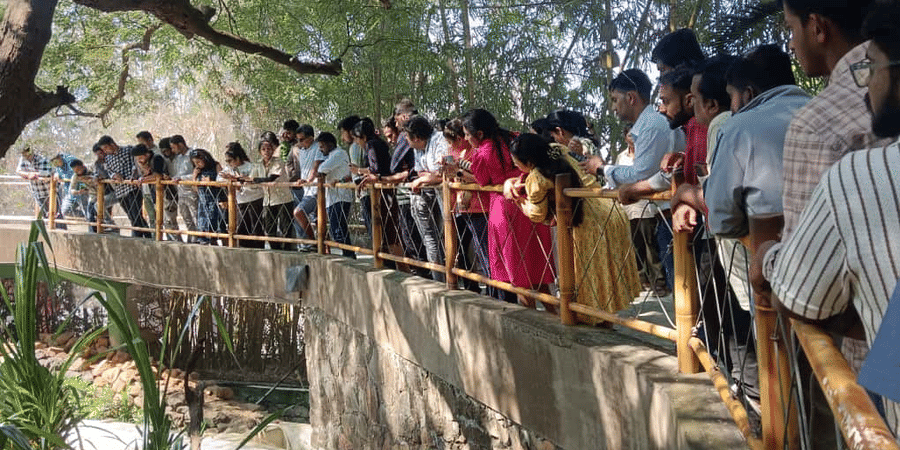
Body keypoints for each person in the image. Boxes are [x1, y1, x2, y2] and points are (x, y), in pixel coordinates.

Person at [769, 2, 900, 435]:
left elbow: (803, 290)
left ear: (817, 27)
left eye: (791, 28)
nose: (790, 42)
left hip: (874, 366)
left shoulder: (818, 125)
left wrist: (767, 258)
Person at [506, 134, 640, 324]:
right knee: (607, 270)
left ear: (528, 161)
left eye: (516, 162)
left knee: (588, 275)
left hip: (587, 223)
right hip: (609, 210)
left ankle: (589, 318)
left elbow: (536, 214)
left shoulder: (537, 178)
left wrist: (519, 201)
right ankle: (606, 318)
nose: (516, 166)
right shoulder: (557, 150)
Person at [457, 109, 555, 307]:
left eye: (467, 135)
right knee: (537, 272)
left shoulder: (484, 151)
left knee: (519, 275)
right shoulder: (514, 137)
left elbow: (483, 181)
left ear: (480, 134)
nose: (466, 139)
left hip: (507, 209)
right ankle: (557, 313)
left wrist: (461, 171)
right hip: (531, 206)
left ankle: (531, 322)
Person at [355, 118, 407, 271]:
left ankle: (403, 268)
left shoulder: (371, 145)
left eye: (357, 138)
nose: (357, 142)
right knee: (389, 232)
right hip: (387, 189)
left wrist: (365, 174)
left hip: (384, 191)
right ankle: (396, 265)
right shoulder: (380, 143)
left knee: (389, 232)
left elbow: (375, 169)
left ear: (362, 137)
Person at [443, 119, 487, 293]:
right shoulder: (452, 152)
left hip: (477, 205)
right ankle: (470, 284)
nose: (452, 145)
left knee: (481, 248)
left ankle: (491, 288)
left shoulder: (475, 153)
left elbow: (479, 176)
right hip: (459, 205)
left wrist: (459, 171)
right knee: (461, 246)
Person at [407, 116, 448, 281]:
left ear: (416, 137)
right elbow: (421, 171)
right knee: (431, 237)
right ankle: (440, 279)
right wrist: (426, 177)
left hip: (452, 199)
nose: (406, 140)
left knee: (454, 238)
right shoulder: (418, 148)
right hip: (434, 196)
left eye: (408, 137)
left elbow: (442, 172)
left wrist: (422, 179)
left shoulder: (440, 140)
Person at [389, 99, 428, 277]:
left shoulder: (412, 130)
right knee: (418, 236)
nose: (397, 126)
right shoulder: (419, 128)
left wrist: (392, 174)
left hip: (420, 191)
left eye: (397, 121)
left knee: (417, 236)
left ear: (404, 116)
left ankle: (425, 275)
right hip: (416, 188)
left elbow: (395, 163)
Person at [98, 135, 151, 238]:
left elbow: (136, 164)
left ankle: (147, 237)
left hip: (132, 188)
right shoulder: (107, 158)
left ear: (112, 144)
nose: (105, 151)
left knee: (136, 216)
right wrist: (114, 175)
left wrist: (133, 175)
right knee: (131, 217)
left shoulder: (129, 150)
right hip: (120, 191)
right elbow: (109, 171)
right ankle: (139, 238)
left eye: (106, 148)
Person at [316, 132, 355, 258]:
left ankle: (349, 256)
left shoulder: (339, 154)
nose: (320, 149)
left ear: (330, 144)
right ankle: (348, 255)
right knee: (336, 229)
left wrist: (320, 169)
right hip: (333, 198)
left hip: (340, 197)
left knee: (338, 229)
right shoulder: (333, 155)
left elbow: (322, 169)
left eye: (322, 146)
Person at [219, 142, 265, 248]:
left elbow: (253, 182)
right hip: (241, 201)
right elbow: (219, 177)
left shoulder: (251, 167)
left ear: (238, 158)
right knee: (242, 226)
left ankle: (259, 248)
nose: (228, 163)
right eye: (227, 161)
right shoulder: (228, 169)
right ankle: (244, 248)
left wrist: (238, 179)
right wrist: (229, 178)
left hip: (254, 198)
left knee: (256, 226)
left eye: (230, 160)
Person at [255, 131, 295, 251]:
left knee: (286, 228)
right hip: (268, 200)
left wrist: (253, 180)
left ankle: (287, 252)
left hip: (282, 198)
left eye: (269, 148)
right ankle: (275, 251)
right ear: (260, 152)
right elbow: (250, 180)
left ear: (273, 150)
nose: (266, 151)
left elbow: (271, 178)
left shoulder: (279, 162)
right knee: (269, 228)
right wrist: (239, 179)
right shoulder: (257, 165)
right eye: (263, 149)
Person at [287, 124, 324, 248]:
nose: (299, 142)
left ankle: (314, 243)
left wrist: (308, 180)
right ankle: (315, 244)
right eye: (298, 139)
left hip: (316, 190)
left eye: (302, 139)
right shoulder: (301, 151)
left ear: (311, 138)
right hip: (307, 190)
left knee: (299, 212)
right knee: (318, 221)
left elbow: (316, 166)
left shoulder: (318, 148)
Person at [340, 115, 372, 237]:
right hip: (368, 191)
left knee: (373, 229)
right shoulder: (363, 145)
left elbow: (358, 169)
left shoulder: (355, 146)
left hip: (366, 192)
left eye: (343, 132)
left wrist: (358, 185)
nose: (342, 137)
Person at [191, 149, 225, 245]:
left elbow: (222, 181)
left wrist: (212, 181)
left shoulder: (215, 165)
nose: (197, 164)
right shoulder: (197, 170)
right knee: (203, 221)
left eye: (198, 162)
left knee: (217, 224)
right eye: (195, 163)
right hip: (203, 200)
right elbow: (194, 188)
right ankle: (204, 240)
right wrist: (194, 177)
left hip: (215, 198)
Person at [169, 134, 199, 241]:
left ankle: (200, 238)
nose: (172, 150)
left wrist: (181, 178)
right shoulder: (178, 158)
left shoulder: (193, 155)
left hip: (192, 191)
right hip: (181, 192)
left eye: (173, 147)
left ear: (180, 144)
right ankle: (192, 238)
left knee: (195, 215)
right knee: (186, 217)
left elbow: (198, 172)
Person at [16, 147, 55, 220]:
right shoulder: (23, 158)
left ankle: (59, 229)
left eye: (27, 155)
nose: (25, 157)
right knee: (41, 217)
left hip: (50, 191)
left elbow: (46, 173)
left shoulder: (42, 158)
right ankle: (42, 230)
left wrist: (34, 174)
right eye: (24, 154)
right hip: (37, 191)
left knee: (54, 215)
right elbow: (18, 171)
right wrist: (28, 174)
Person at [157, 137, 180, 241]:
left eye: (167, 150)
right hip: (170, 191)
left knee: (190, 218)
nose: (165, 153)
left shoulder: (181, 157)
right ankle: (174, 240)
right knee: (169, 219)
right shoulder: (163, 159)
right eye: (163, 151)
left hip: (185, 190)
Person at [50, 152, 83, 219]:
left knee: (87, 210)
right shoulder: (57, 166)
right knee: (65, 211)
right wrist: (56, 173)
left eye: (55, 161)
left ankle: (93, 222)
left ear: (59, 158)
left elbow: (82, 172)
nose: (54, 164)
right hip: (69, 192)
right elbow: (56, 172)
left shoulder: (71, 160)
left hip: (81, 191)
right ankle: (87, 216)